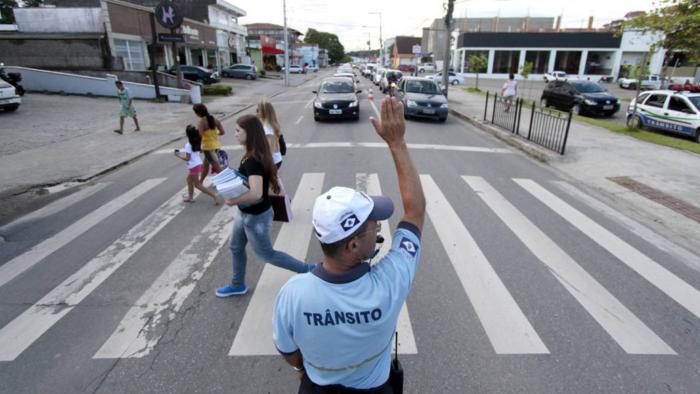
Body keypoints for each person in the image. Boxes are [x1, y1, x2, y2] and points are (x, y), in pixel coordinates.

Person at [272, 97, 426, 393]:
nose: (380, 226)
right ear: (353, 246)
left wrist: (305, 368)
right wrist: (397, 143)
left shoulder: (293, 294)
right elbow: (415, 213)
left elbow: (288, 350)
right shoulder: (389, 283)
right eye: (373, 225)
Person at [216, 114, 314, 297]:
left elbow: (255, 193)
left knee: (267, 254)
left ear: (250, 133)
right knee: (235, 246)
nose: (235, 134)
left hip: (256, 217)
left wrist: (231, 200)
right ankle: (237, 284)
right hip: (245, 213)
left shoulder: (253, 159)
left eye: (238, 131)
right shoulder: (252, 154)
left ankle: (309, 269)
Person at [174, 125, 219, 204]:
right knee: (188, 180)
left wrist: (178, 155)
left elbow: (187, 158)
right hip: (198, 164)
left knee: (197, 185)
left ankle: (214, 196)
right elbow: (198, 152)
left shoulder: (188, 145)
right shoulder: (197, 142)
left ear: (187, 135)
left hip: (193, 166)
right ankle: (190, 197)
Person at [193, 104, 225, 183]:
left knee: (217, 168)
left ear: (198, 113)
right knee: (205, 165)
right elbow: (222, 132)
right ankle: (200, 182)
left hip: (208, 148)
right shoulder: (215, 120)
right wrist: (214, 134)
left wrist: (198, 147)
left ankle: (227, 181)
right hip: (216, 145)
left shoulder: (201, 122)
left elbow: (200, 136)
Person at [256, 100, 284, 169]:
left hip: (272, 161)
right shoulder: (270, 125)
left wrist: (265, 164)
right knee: (274, 179)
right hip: (276, 159)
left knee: (271, 179)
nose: (256, 113)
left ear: (264, 112)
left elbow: (269, 150)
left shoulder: (267, 128)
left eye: (257, 110)